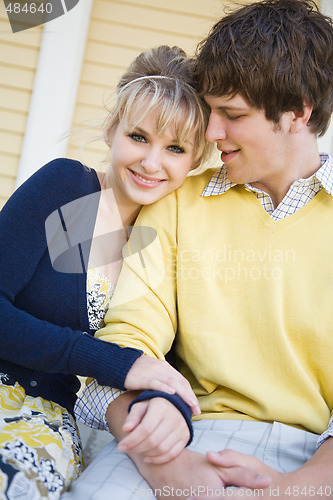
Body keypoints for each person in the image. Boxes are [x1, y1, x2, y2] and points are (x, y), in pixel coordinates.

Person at [61, 1, 333, 499]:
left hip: (316, 457)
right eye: (212, 112)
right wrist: (160, 452)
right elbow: (129, 334)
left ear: (299, 112)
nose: (210, 134)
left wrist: (293, 490)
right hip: (179, 432)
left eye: (232, 115)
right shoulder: (178, 200)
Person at [0, 44, 215, 499]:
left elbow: (172, 365)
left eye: (174, 147)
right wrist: (115, 362)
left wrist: (169, 407)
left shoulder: (168, 243)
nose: (151, 163)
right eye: (138, 137)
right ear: (110, 130)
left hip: (50, 422)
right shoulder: (68, 187)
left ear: (194, 161)